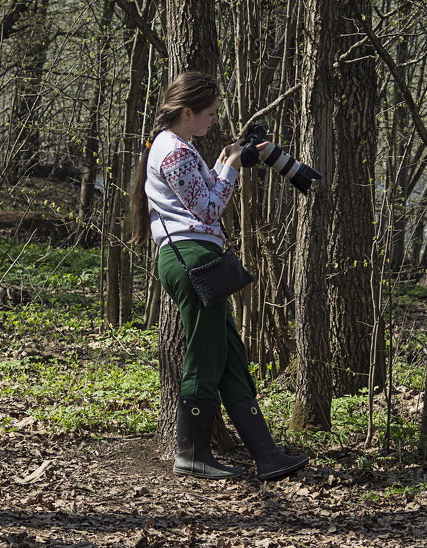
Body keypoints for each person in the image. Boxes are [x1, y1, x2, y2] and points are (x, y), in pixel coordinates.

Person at [131, 71, 308, 481]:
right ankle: (190, 452)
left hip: (196, 259)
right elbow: (208, 209)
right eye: (209, 114)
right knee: (206, 354)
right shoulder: (173, 152)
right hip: (191, 258)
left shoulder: (179, 147)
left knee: (229, 355)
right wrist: (230, 168)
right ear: (187, 112)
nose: (214, 120)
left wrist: (224, 159)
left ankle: (267, 455)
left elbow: (199, 192)